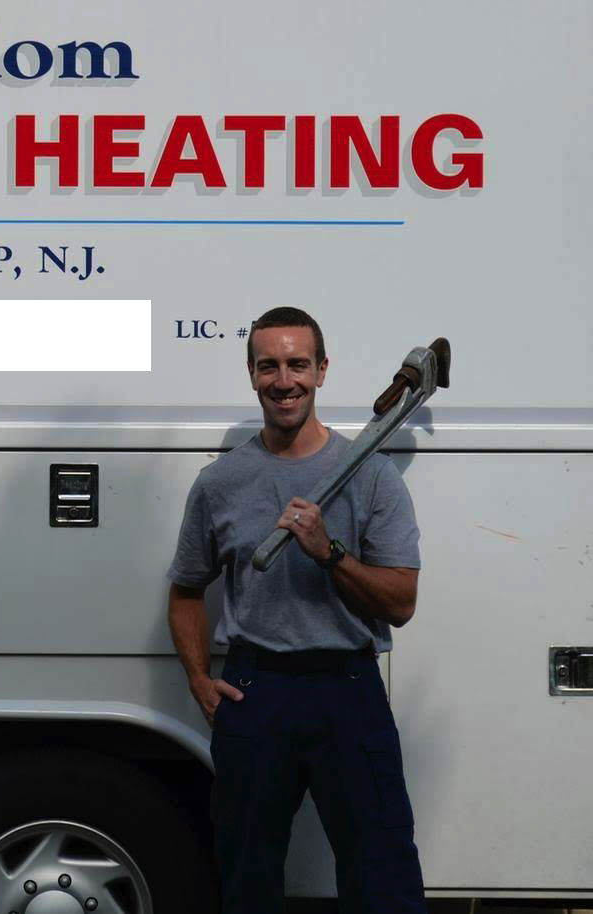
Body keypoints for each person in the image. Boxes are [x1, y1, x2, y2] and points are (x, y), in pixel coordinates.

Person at [166, 306, 427, 913]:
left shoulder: (372, 477)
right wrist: (200, 680)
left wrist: (329, 553)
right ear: (252, 375)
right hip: (257, 692)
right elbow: (185, 590)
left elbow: (402, 603)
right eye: (269, 366)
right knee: (247, 876)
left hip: (348, 690)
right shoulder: (220, 483)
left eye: (298, 364)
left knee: (381, 874)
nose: (284, 380)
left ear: (322, 370)